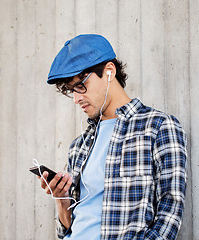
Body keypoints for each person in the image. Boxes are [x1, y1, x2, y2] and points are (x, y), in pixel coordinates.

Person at [38, 34, 188, 240]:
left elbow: (169, 215)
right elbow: (66, 229)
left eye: (81, 85)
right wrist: (62, 200)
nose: (76, 98)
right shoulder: (79, 146)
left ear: (109, 71)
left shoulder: (158, 127)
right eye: (71, 90)